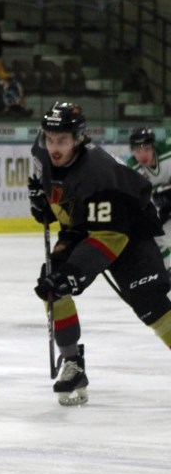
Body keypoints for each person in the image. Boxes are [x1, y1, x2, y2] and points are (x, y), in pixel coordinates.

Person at [29, 102, 171, 406]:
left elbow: (110, 237)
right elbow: (51, 191)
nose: (54, 147)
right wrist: (43, 202)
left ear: (78, 138)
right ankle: (73, 365)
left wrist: (74, 273)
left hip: (128, 230)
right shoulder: (41, 153)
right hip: (83, 226)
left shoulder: (99, 172)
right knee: (52, 285)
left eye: (62, 141)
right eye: (50, 139)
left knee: (151, 305)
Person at [126, 126, 171, 272]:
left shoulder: (167, 150)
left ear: (153, 147)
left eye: (146, 149)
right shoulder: (132, 168)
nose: (142, 155)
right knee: (159, 238)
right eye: (138, 151)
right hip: (164, 208)